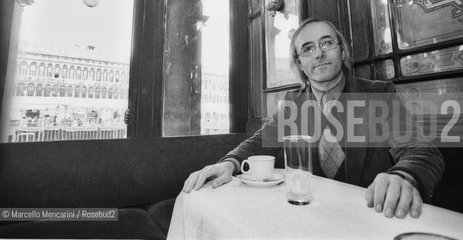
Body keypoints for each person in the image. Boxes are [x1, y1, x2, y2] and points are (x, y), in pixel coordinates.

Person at [182, 19, 444, 219]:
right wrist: (230, 163)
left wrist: (403, 177)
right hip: (310, 218)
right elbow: (260, 141)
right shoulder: (294, 104)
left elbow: (421, 150)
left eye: (327, 43)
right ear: (299, 63)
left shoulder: (378, 94)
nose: (319, 53)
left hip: (371, 217)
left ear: (342, 51)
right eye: (307, 49)